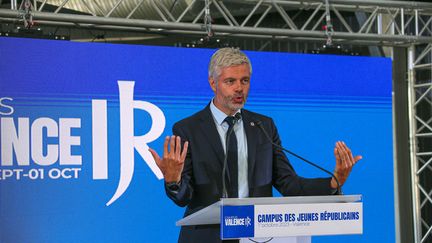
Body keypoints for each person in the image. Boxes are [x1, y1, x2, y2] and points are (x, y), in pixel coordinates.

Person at [149, 47, 362, 243]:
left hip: (257, 236)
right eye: (230, 81)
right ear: (213, 84)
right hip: (208, 237)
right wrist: (173, 180)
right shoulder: (188, 129)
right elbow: (183, 197)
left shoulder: (263, 127)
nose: (239, 88)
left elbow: (290, 185)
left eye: (245, 81)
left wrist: (334, 182)